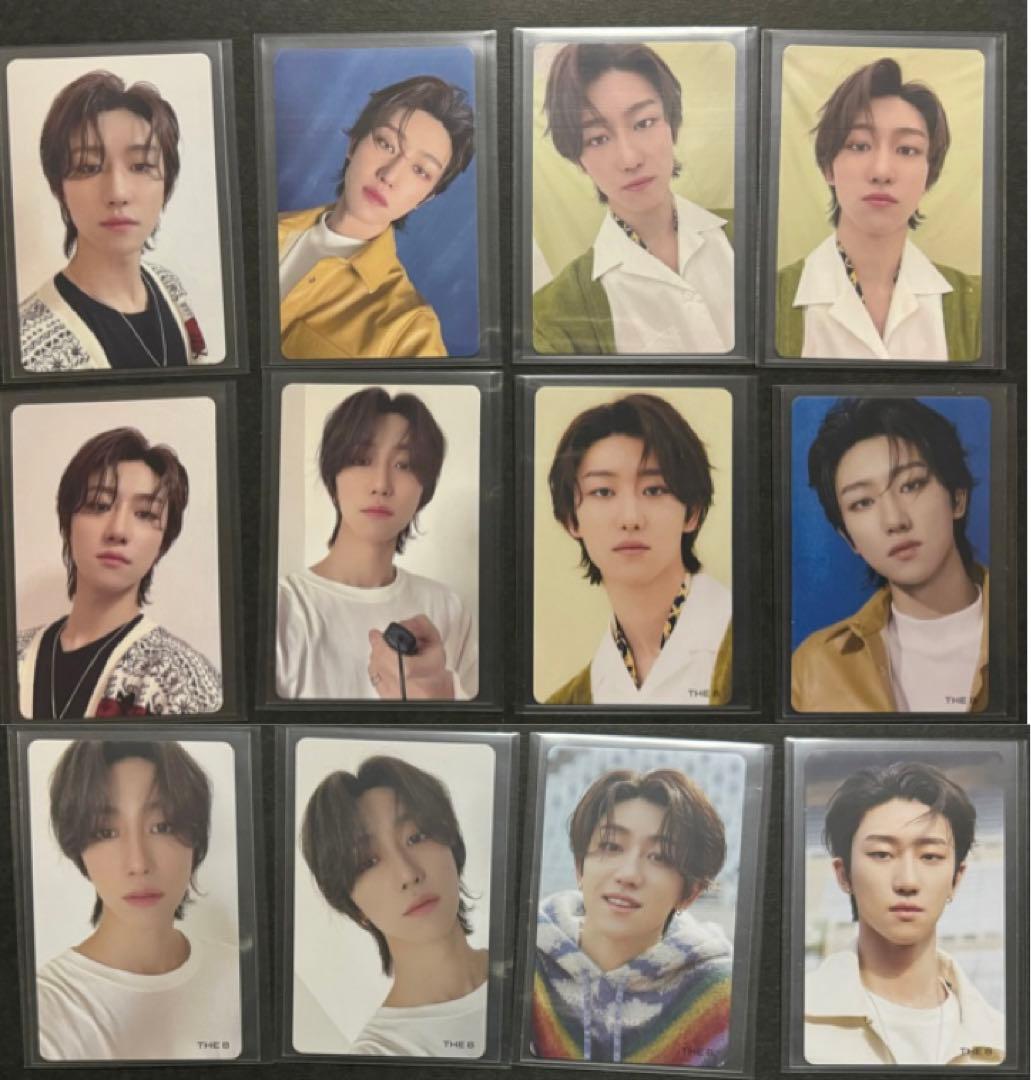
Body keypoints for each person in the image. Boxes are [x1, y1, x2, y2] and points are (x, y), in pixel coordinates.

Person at [36, 739, 241, 1060]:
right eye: (106, 832)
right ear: (78, 847)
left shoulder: (244, 976)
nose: (138, 863)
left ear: (195, 837)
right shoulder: (43, 1012)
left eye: (162, 826)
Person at [532, 42, 735, 355]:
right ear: (578, 159)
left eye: (644, 123)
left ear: (671, 124)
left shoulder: (746, 235)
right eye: (597, 139)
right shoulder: (556, 313)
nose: (629, 159)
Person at [276, 387, 477, 701]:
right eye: (361, 459)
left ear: (424, 489)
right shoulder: (285, 608)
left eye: (404, 464)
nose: (381, 485)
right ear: (333, 475)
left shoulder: (448, 608)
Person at [776, 57, 980, 361]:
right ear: (828, 167)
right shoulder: (771, 299)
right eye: (859, 145)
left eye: (907, 150)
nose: (882, 171)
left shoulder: (976, 306)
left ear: (929, 174)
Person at [791, 397, 986, 713]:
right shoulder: (814, 666)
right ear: (849, 538)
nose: (894, 520)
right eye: (862, 502)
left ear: (957, 498)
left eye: (911, 485)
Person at [805, 761, 1005, 1065]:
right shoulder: (796, 1019)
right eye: (882, 854)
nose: (907, 881)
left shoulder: (1003, 1040)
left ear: (956, 878)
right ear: (843, 875)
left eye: (931, 856)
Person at [16, 428, 222, 719]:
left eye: (145, 514)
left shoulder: (185, 683)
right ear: (68, 522)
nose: (118, 531)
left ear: (163, 541)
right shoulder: (14, 654)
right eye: (99, 505)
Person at [533, 768, 731, 1065]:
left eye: (660, 857)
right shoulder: (524, 963)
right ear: (580, 867)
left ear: (690, 893)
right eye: (611, 846)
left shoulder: (720, 996)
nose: (628, 875)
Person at [544, 393, 731, 705]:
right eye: (603, 492)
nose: (630, 519)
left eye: (654, 490)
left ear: (693, 511)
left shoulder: (750, 645)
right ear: (571, 520)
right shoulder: (567, 704)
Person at [19, 71, 209, 372]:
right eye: (88, 167)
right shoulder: (25, 348)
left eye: (141, 166)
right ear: (59, 187)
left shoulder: (171, 288)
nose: (118, 193)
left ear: (166, 182)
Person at [299, 755, 488, 1057]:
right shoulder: (379, 1054)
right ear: (352, 904)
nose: (408, 874)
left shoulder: (543, 963)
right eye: (368, 861)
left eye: (416, 836)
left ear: (451, 843)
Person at [278, 75, 475, 359]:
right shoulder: (259, 230)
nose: (390, 175)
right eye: (386, 144)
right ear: (353, 143)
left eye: (420, 170)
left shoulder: (410, 330)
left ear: (426, 197)